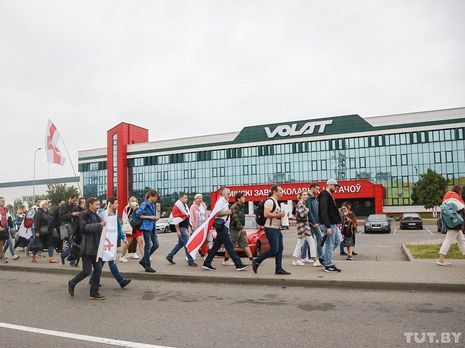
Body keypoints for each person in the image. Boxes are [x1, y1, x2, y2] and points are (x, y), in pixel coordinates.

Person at [68, 197, 106, 300]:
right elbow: (84, 227)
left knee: (98, 269)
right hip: (87, 247)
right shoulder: (84, 214)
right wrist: (99, 225)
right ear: (90, 204)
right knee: (87, 271)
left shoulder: (96, 215)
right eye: (96, 204)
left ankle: (94, 293)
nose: (98, 206)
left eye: (98, 204)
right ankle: (72, 283)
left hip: (96, 247)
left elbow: (100, 228)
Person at [203, 188, 248, 271]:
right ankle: (239, 264)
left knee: (216, 246)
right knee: (230, 246)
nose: (229, 195)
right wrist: (227, 212)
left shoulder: (224, 202)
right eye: (228, 194)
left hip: (223, 227)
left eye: (230, 193)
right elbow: (216, 213)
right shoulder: (221, 202)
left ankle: (207, 263)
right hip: (222, 226)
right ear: (223, 194)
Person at [252, 186, 290, 275]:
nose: (282, 192)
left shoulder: (276, 202)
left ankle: (278, 268)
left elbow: (277, 215)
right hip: (270, 228)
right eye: (280, 191)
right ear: (274, 191)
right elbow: (266, 214)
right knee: (274, 249)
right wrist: (280, 214)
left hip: (276, 228)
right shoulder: (270, 201)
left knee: (280, 249)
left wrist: (285, 215)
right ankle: (257, 260)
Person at [97, 198, 132, 288]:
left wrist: (123, 237)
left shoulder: (114, 214)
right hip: (104, 242)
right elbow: (97, 225)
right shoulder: (103, 214)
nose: (118, 205)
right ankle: (121, 281)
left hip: (111, 242)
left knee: (103, 262)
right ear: (111, 204)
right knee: (109, 262)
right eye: (116, 203)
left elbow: (118, 228)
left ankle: (93, 279)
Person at [166, 193, 198, 267]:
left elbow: (187, 216)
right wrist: (178, 230)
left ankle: (169, 256)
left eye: (187, 197)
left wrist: (191, 225)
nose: (186, 199)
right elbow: (175, 220)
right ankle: (190, 261)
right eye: (185, 197)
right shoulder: (177, 206)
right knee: (187, 244)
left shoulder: (184, 206)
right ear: (180, 198)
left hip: (185, 227)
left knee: (180, 244)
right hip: (181, 228)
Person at [437, 185, 465, 266]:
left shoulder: (447, 197)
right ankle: (441, 260)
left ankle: (441, 259)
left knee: (461, 240)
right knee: (448, 240)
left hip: (451, 222)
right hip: (456, 223)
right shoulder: (456, 198)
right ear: (459, 191)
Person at [318, 179, 343, 272]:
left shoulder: (328, 196)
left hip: (333, 224)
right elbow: (323, 212)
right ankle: (328, 265)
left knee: (338, 241)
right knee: (330, 244)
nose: (337, 188)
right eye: (336, 186)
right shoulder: (325, 195)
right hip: (329, 224)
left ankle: (323, 258)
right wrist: (327, 226)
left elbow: (329, 211)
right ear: (330, 185)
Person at [223, 192, 254, 265]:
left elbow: (241, 218)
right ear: (238, 199)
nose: (244, 198)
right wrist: (241, 227)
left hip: (241, 228)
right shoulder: (234, 207)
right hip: (235, 229)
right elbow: (235, 218)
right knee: (231, 245)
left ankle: (252, 260)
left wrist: (242, 227)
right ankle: (226, 260)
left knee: (245, 243)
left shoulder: (241, 206)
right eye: (243, 197)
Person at [292, 192, 321, 267]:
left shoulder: (302, 204)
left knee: (301, 242)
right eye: (304, 195)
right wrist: (307, 210)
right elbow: (302, 215)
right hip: (303, 226)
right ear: (301, 196)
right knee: (310, 242)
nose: (306, 196)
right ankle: (315, 260)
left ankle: (295, 259)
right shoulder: (301, 204)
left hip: (303, 226)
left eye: (306, 195)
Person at [135, 189, 159, 273]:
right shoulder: (145, 203)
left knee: (156, 245)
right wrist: (150, 217)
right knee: (148, 246)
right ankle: (147, 266)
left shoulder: (152, 204)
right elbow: (138, 214)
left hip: (152, 227)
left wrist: (154, 218)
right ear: (151, 196)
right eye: (155, 197)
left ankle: (143, 260)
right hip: (146, 227)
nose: (156, 198)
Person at [120, 197, 144, 262]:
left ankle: (145, 257)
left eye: (135, 201)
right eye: (132, 201)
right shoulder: (127, 208)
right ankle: (122, 256)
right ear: (130, 201)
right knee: (128, 242)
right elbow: (126, 217)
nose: (134, 202)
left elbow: (140, 215)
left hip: (137, 227)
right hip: (130, 227)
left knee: (140, 242)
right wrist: (133, 208)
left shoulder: (138, 208)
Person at [59, 194, 80, 266]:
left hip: (73, 227)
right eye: (74, 200)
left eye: (76, 200)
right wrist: (71, 214)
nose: (74, 202)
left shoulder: (75, 206)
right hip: (65, 227)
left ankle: (64, 256)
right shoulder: (63, 206)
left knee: (72, 245)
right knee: (71, 245)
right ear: (70, 198)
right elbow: (61, 217)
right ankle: (71, 261)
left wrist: (77, 214)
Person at [0, 197, 9, 263]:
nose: (4, 202)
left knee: (4, 242)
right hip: (0, 227)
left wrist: (7, 226)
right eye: (2, 201)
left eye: (4, 201)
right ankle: (2, 257)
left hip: (5, 227)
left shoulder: (5, 209)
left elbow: (7, 218)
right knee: (0, 243)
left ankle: (1, 255)